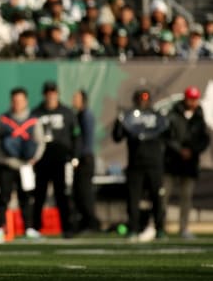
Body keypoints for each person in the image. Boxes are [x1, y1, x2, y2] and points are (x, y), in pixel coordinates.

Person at [0, 87, 45, 242]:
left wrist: (34, 158)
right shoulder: (3, 119)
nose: (17, 103)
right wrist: (2, 156)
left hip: (25, 166)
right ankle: (0, 229)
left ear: (26, 101)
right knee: (4, 197)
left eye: (20, 100)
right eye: (15, 100)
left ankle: (29, 228)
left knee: (26, 197)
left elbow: (40, 142)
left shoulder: (33, 120)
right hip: (6, 164)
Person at [112, 89, 169, 241]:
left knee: (157, 197)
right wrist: (119, 121)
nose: (143, 101)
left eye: (146, 98)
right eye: (140, 99)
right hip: (135, 165)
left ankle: (160, 228)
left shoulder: (157, 116)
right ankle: (133, 229)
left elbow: (168, 134)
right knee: (133, 198)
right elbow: (117, 137)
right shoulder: (129, 117)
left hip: (154, 164)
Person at [31, 81, 79, 238]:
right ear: (44, 94)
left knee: (62, 195)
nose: (51, 96)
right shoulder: (37, 112)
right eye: (48, 93)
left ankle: (67, 228)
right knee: (39, 195)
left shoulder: (66, 112)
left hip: (60, 158)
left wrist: (75, 156)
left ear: (57, 94)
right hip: (41, 159)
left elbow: (76, 135)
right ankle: (35, 228)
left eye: (53, 92)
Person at [164, 86, 210, 239]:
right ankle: (159, 225)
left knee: (187, 196)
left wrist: (193, 150)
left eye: (195, 99)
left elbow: (204, 138)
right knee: (164, 194)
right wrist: (179, 150)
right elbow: (167, 137)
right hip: (172, 162)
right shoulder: (173, 114)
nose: (193, 102)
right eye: (191, 99)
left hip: (190, 163)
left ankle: (184, 227)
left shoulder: (199, 116)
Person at [72, 89, 100, 233]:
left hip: (85, 159)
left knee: (85, 192)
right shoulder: (78, 115)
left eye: (76, 97)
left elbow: (86, 140)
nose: (73, 100)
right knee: (78, 193)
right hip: (81, 158)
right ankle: (84, 222)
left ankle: (91, 223)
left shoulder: (86, 115)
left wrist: (79, 157)